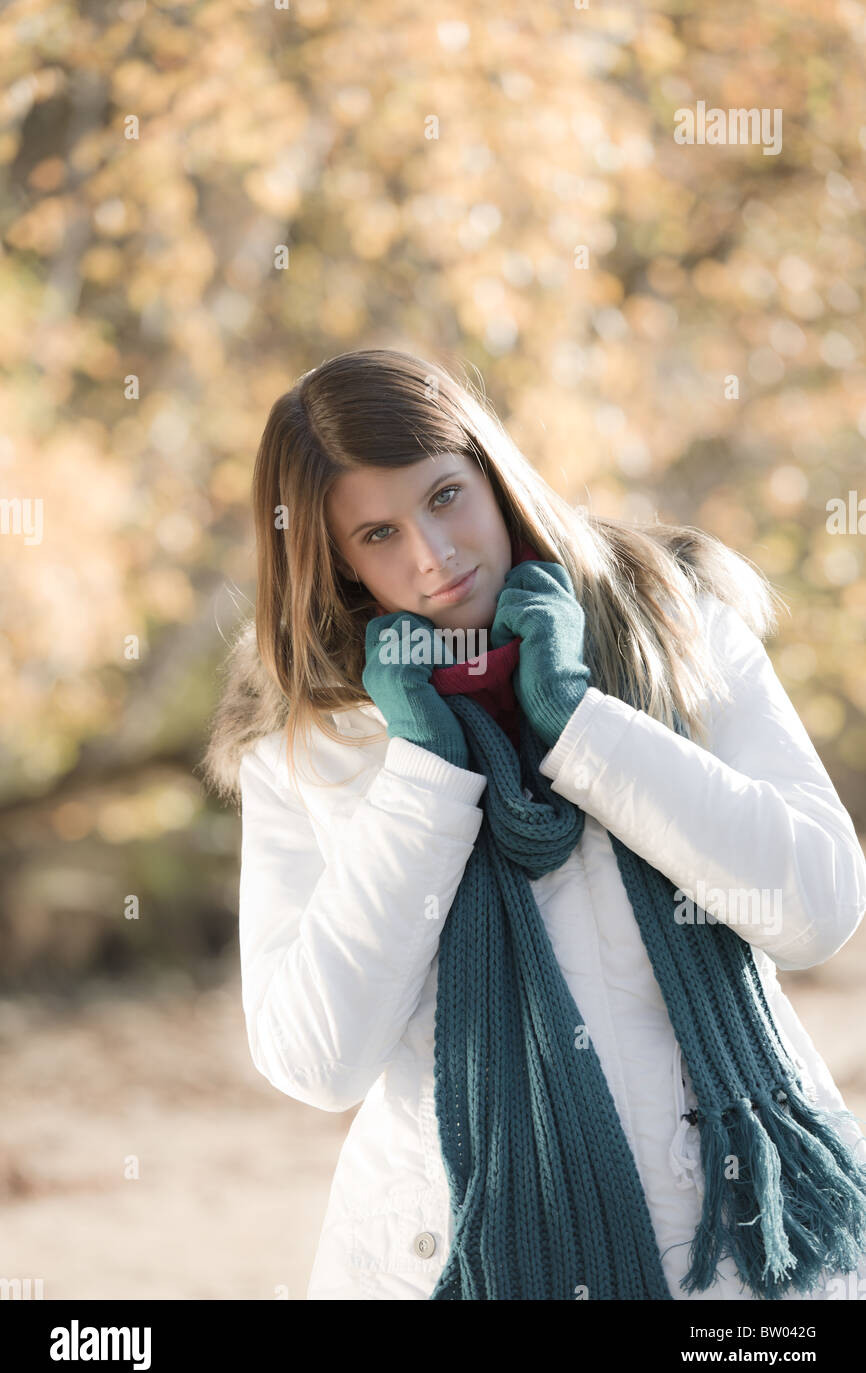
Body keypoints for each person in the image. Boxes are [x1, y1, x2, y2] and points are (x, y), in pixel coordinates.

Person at [201, 347, 866, 1301]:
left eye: (444, 496)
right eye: (379, 533)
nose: (433, 556)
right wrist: (424, 777)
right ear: (334, 561)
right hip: (463, 1257)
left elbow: (817, 906)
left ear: (491, 470)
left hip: (740, 1258)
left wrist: (586, 723)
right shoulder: (311, 734)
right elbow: (317, 1061)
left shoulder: (671, 620)